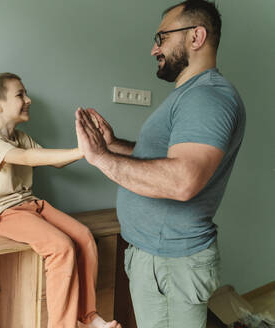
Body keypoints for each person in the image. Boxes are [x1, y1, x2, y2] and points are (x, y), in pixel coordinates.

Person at [75, 1, 246, 327]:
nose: (154, 48)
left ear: (196, 37)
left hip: (171, 261)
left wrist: (101, 158)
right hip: (157, 257)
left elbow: (182, 180)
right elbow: (166, 160)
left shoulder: (208, 98)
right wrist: (114, 146)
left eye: (161, 37)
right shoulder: (189, 96)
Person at [0, 72, 122, 328]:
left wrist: (90, 149)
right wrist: (82, 150)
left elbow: (56, 161)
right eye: (20, 95)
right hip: (2, 212)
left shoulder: (21, 137)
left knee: (84, 236)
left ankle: (88, 316)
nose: (28, 99)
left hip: (29, 204)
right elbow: (27, 159)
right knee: (61, 246)